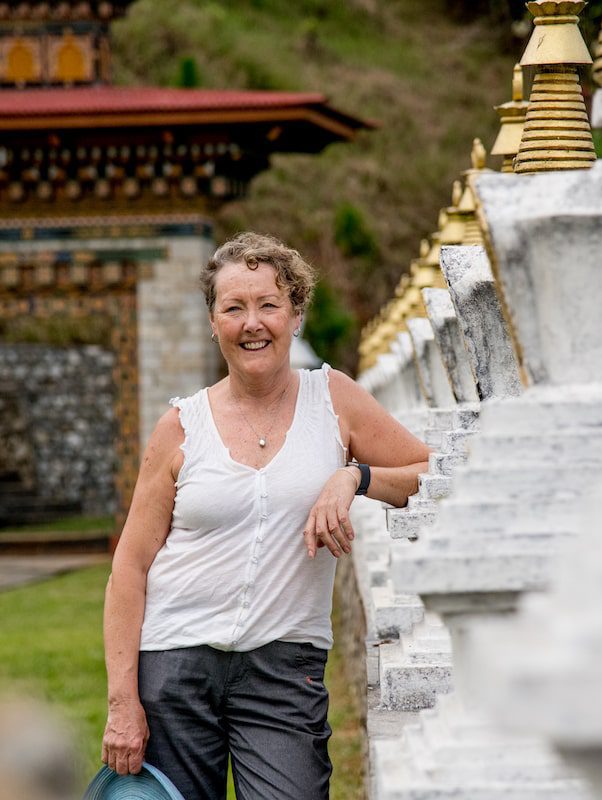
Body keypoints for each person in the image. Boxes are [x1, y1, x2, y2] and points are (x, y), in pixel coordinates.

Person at [101, 232, 430, 799]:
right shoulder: (180, 426)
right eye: (234, 308)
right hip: (173, 667)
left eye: (269, 305)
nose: (252, 323)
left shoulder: (335, 399)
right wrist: (122, 702)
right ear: (213, 322)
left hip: (284, 667)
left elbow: (429, 470)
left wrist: (355, 476)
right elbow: (130, 567)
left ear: (296, 314)